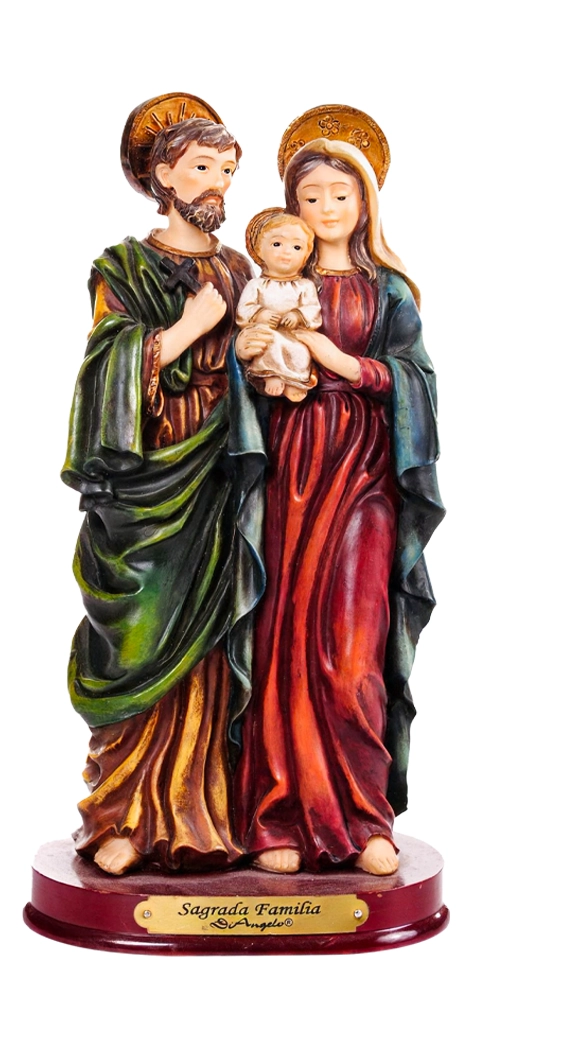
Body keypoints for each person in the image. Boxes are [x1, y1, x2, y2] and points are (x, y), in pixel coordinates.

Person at [231, 120, 445, 876]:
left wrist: (341, 362)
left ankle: (362, 814)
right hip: (290, 467)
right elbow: (241, 371)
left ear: (366, 202)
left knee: (354, 648)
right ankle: (277, 817)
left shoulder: (388, 290)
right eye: (311, 196)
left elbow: (415, 380)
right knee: (283, 637)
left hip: (363, 475)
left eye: (340, 194)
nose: (325, 209)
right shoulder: (271, 280)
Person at [61, 96, 253, 875]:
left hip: (220, 482)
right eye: (203, 167)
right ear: (163, 176)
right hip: (148, 488)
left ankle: (206, 816)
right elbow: (106, 368)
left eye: (227, 170)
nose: (218, 184)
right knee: (138, 638)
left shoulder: (241, 269)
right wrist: (189, 328)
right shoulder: (122, 267)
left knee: (216, 645)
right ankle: (123, 815)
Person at [235, 209, 320, 402]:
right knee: (267, 343)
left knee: (301, 352)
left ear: (306, 255)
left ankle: (295, 380)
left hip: (293, 335)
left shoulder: (305, 286)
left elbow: (313, 309)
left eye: (296, 247)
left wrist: (298, 315)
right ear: (260, 250)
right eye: (277, 244)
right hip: (268, 331)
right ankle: (271, 375)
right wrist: (260, 314)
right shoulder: (256, 285)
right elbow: (243, 309)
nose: (286, 252)